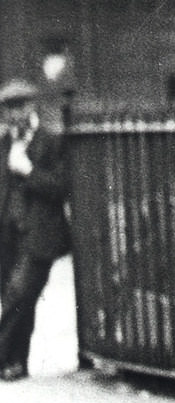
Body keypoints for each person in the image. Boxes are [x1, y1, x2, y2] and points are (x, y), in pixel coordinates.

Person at [0, 79, 70, 381]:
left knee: (18, 294)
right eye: (7, 109)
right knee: (17, 299)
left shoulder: (52, 141)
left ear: (32, 107)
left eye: (19, 107)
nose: (13, 114)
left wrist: (27, 170)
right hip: (7, 233)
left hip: (39, 234)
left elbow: (61, 187)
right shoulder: (3, 143)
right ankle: (15, 364)